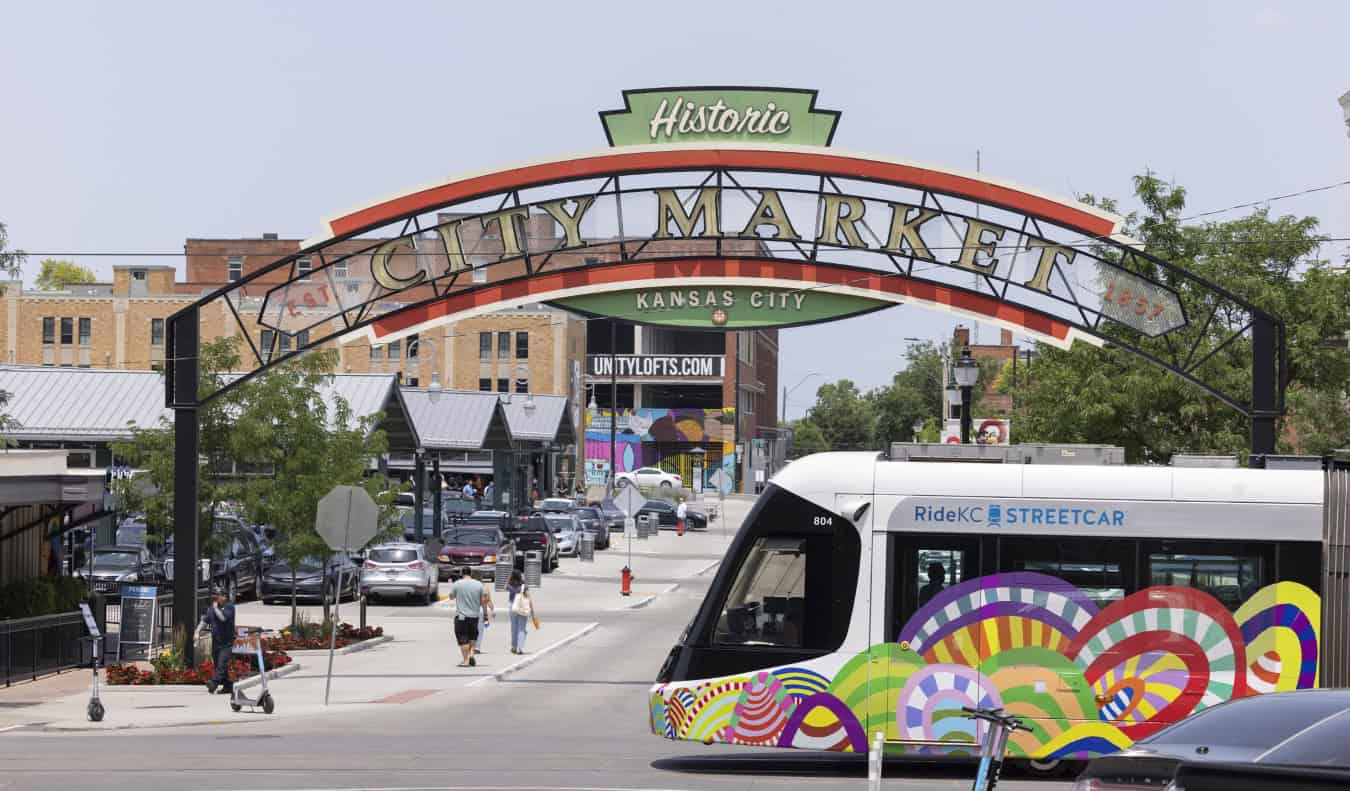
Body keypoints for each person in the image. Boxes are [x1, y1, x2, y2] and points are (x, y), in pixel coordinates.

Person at [195, 587, 236, 695]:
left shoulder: (229, 607)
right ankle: (228, 686)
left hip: (226, 643)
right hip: (216, 642)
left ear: (224, 597)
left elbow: (223, 618)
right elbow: (204, 621)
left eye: (218, 595)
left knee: (221, 663)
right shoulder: (212, 609)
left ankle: (213, 683)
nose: (215, 597)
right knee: (219, 665)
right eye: (215, 595)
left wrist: (216, 608)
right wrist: (197, 632)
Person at [451, 568, 490, 667]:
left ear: (462, 573)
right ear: (470, 574)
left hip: (462, 616)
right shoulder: (479, 585)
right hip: (474, 616)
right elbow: (484, 601)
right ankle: (471, 654)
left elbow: (451, 596)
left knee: (463, 638)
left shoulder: (458, 584)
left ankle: (466, 660)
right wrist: (485, 614)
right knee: (472, 637)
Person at [506, 570, 532, 655]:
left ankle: (514, 646)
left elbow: (505, 586)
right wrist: (532, 610)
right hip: (522, 607)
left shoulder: (510, 585)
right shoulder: (524, 586)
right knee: (522, 628)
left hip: (512, 607)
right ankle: (520, 648)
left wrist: (509, 578)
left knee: (514, 627)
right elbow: (529, 598)